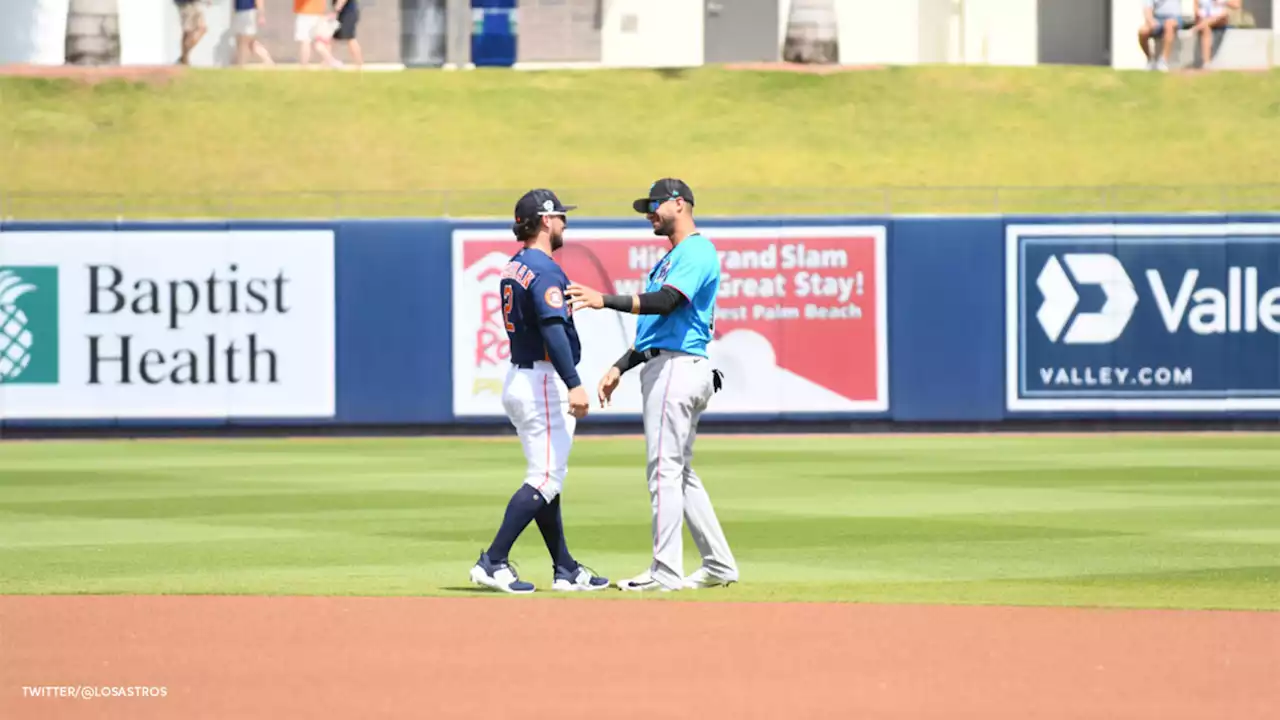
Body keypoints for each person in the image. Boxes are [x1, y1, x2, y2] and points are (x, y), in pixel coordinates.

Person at [565, 178, 738, 593]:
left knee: (663, 470)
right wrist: (621, 365)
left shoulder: (697, 250)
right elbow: (658, 328)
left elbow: (666, 303)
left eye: (655, 205)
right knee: (679, 472)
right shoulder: (672, 257)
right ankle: (718, 564)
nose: (649, 214)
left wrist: (603, 299)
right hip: (669, 363)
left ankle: (665, 571)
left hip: (678, 369)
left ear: (680, 204)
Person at [468, 189, 610, 595]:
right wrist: (574, 382)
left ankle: (564, 568)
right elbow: (552, 329)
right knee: (546, 478)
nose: (566, 223)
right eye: (561, 216)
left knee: (549, 477)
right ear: (546, 221)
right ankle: (492, 561)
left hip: (521, 375)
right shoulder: (544, 269)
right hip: (544, 380)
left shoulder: (515, 266)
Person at [1190, 0, 1240, 68]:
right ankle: (1206, 62)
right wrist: (1199, 15)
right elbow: (1195, 8)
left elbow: (1236, 5)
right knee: (1205, 28)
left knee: (1223, 14)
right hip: (1204, 19)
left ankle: (1198, 27)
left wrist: (1223, 2)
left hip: (1220, 19)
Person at [1138, 0, 1185, 72]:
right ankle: (1150, 60)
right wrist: (1151, 21)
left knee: (1169, 24)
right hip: (1158, 18)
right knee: (1143, 31)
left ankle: (1163, 61)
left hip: (1174, 17)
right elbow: (1147, 8)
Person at [232, 0, 275, 66]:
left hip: (247, 11)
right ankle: (268, 61)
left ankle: (241, 64)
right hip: (239, 11)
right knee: (249, 42)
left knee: (245, 40)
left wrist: (261, 15)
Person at [331, 0, 364, 69]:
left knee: (350, 38)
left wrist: (336, 10)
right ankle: (327, 60)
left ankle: (359, 64)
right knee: (333, 39)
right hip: (342, 14)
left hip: (348, 14)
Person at [174, 0, 208, 66]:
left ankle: (183, 58)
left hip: (194, 4)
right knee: (188, 32)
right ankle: (184, 60)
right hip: (187, 4)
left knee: (202, 28)